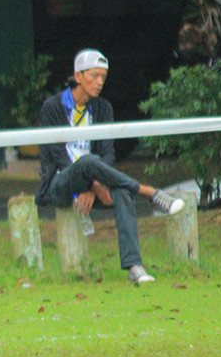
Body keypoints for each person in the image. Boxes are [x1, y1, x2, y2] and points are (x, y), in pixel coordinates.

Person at [35, 49, 185, 284]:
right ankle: (147, 192)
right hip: (60, 182)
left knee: (121, 191)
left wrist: (94, 185)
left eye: (103, 77)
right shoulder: (52, 108)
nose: (100, 82)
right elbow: (59, 158)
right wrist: (95, 185)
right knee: (87, 162)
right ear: (78, 76)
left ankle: (134, 266)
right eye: (94, 75)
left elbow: (108, 152)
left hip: (94, 182)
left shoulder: (103, 108)